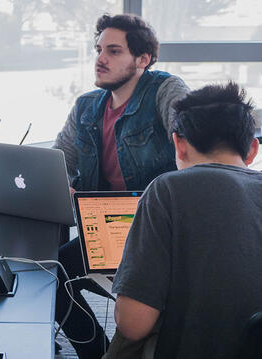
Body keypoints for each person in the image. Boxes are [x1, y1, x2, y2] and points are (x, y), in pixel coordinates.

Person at [52, 14, 189, 357]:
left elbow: (191, 133)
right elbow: (58, 163)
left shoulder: (163, 89)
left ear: (143, 59)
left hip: (153, 234)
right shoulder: (87, 106)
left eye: (114, 51)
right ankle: (96, 351)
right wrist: (57, 186)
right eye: (99, 49)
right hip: (106, 232)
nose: (100, 59)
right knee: (52, 276)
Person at [108, 82, 262, 358]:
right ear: (252, 149)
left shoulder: (166, 189)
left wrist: (132, 281)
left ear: (178, 144)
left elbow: (133, 325)